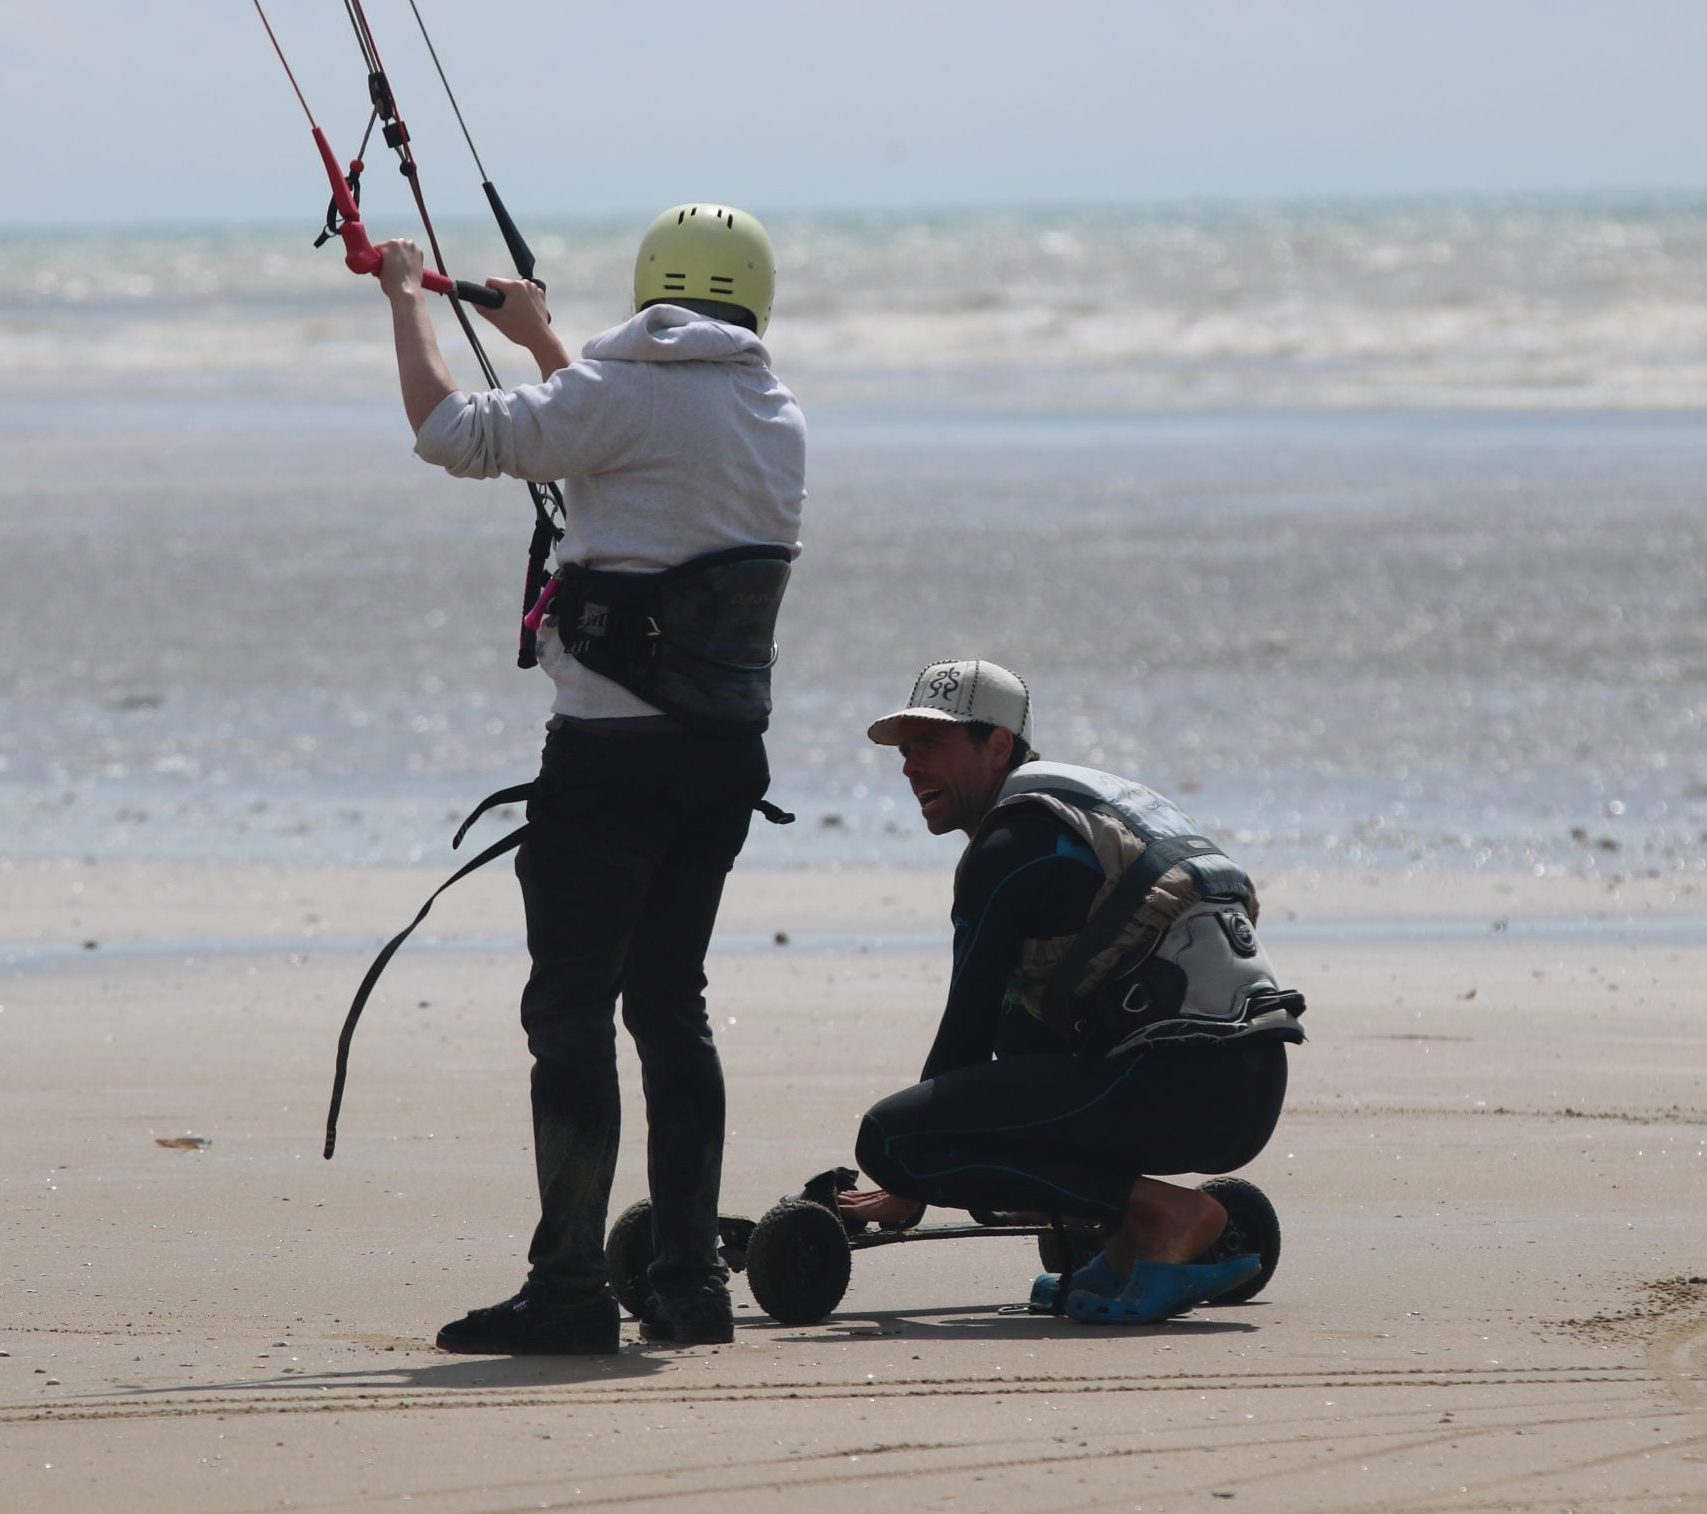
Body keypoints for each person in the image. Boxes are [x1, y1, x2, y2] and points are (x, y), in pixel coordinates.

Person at [373, 205, 806, 1354]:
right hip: (722, 765)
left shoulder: (619, 394)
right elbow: (635, 455)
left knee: (569, 1014)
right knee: (670, 1004)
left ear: (649, 285)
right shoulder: (774, 413)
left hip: (610, 764)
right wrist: (543, 344)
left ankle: (568, 1288)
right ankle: (688, 1285)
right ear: (753, 302)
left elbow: (448, 433)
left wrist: (407, 298)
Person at [838, 659, 1306, 1325]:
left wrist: (906, 1177)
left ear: (996, 745)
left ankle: (1165, 1214)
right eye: (906, 750)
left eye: (932, 745)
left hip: (1174, 1084)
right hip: (1246, 1087)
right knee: (1018, 1036)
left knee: (893, 1136)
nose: (910, 766)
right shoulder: (1089, 815)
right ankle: (1125, 1244)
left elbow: (963, 1030)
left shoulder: (1008, 845)